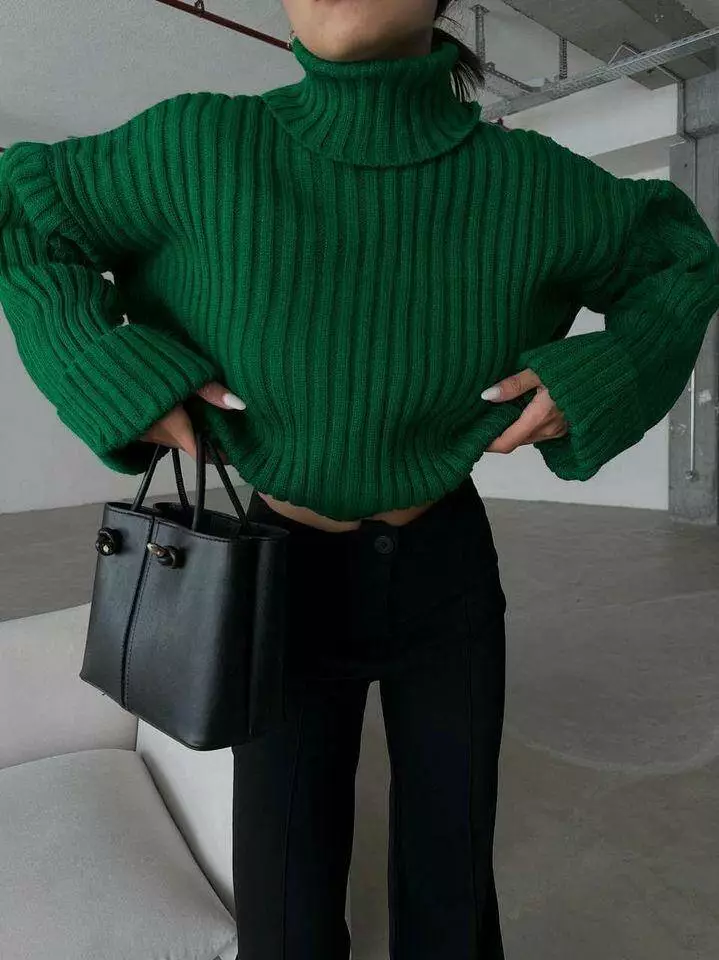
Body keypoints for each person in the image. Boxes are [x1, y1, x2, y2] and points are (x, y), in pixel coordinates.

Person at [1, 1, 719, 957]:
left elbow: (678, 258)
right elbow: (21, 214)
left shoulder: (528, 181)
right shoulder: (202, 144)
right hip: (268, 578)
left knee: (451, 879)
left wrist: (605, 372)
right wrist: (106, 367)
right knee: (283, 895)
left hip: (445, 571)